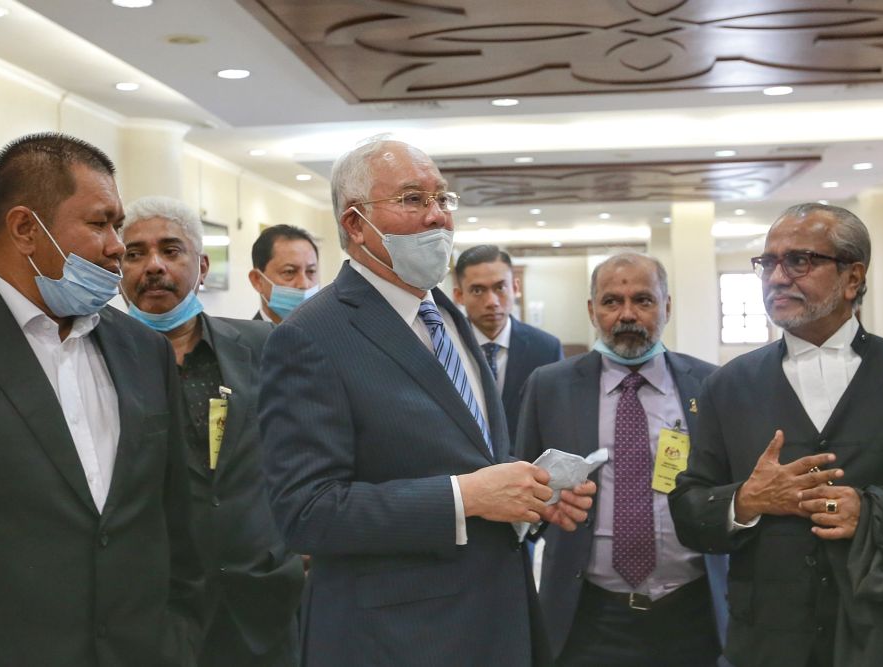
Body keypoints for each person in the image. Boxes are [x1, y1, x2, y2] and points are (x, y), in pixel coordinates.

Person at [258, 138, 595, 667]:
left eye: (443, 199)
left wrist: (526, 498)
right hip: (399, 637)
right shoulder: (311, 336)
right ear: (354, 223)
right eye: (413, 200)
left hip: (495, 619)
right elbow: (306, 511)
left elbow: (469, 456)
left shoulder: (444, 313)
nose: (438, 217)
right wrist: (467, 497)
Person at [0, 132, 203, 665]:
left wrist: (178, 639)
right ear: (24, 229)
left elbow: (174, 519)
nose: (118, 245)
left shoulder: (141, 349)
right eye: (100, 223)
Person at [669, 203, 883, 666]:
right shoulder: (727, 386)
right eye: (768, 263)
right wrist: (747, 500)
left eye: (799, 261)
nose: (777, 277)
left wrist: (872, 509)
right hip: (768, 642)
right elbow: (688, 510)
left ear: (852, 278)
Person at [517, 252, 728, 666]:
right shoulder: (549, 387)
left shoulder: (711, 384)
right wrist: (542, 508)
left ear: (667, 307)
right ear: (592, 310)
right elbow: (522, 495)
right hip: (589, 613)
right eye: (612, 301)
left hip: (693, 611)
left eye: (644, 301)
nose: (627, 314)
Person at [119, 196, 304, 667]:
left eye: (170, 250)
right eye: (134, 254)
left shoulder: (264, 347)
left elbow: (304, 449)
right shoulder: (99, 358)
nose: (153, 266)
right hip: (150, 607)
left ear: (201, 266)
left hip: (262, 601)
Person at [454, 244, 563, 448]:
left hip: (529, 470)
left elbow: (557, 421)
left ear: (515, 287)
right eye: (478, 290)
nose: (492, 301)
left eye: (500, 288)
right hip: (468, 473)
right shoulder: (446, 348)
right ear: (459, 295)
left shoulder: (546, 348)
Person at [248, 223, 319, 323]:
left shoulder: (332, 334)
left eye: (310, 271)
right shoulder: (247, 338)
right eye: (289, 272)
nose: (304, 284)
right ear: (257, 280)